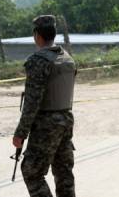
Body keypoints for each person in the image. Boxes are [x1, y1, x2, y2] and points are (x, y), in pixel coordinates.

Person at [13, 15, 77, 197]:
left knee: (32, 171)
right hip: (65, 121)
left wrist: (20, 133)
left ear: (37, 35)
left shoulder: (38, 60)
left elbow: (32, 102)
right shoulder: (67, 58)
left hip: (46, 124)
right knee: (63, 172)